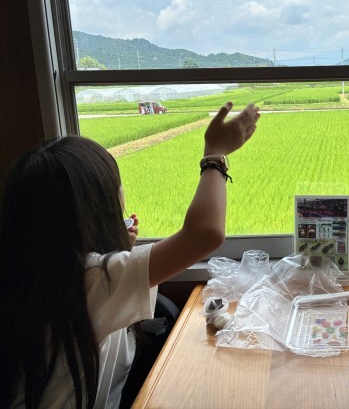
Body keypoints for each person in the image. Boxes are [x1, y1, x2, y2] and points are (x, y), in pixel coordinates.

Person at [0, 101, 259, 408]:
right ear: (97, 207)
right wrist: (215, 155)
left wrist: (118, 250)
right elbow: (204, 234)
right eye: (116, 184)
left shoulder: (30, 270)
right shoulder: (91, 280)